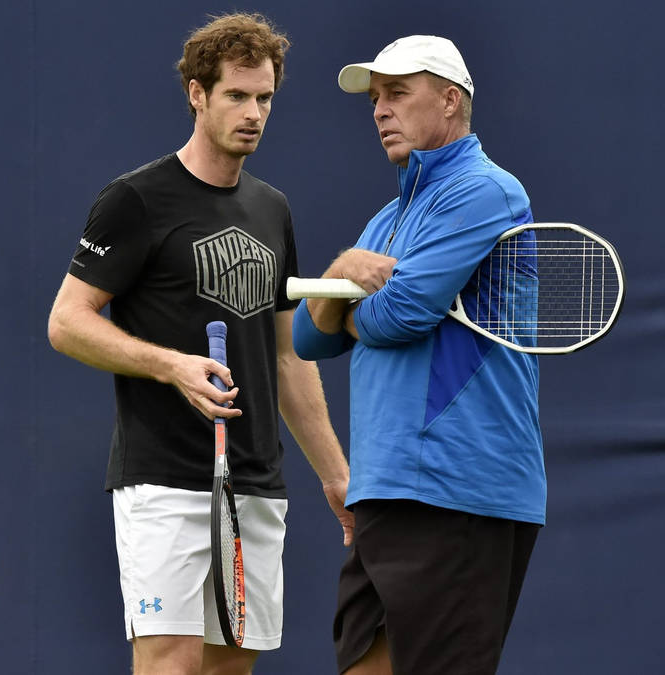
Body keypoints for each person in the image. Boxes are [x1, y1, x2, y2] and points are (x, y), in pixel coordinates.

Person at [47, 13, 353, 675]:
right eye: (237, 95)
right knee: (171, 663)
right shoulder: (135, 199)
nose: (253, 113)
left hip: (256, 484)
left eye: (264, 97)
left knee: (228, 666)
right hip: (164, 481)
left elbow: (283, 354)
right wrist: (170, 365)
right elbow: (68, 321)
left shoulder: (273, 209)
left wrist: (335, 474)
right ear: (197, 93)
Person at [292, 35, 545, 675]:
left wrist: (343, 303)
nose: (380, 110)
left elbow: (398, 317)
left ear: (451, 101)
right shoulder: (385, 219)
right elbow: (306, 339)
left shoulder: (486, 191)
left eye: (398, 93)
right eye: (376, 98)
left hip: (457, 489)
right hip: (386, 486)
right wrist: (348, 270)